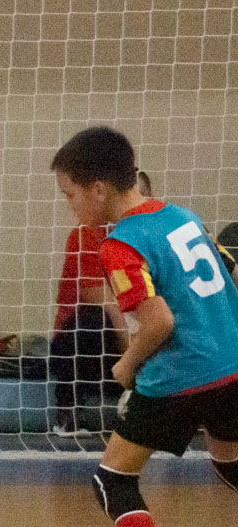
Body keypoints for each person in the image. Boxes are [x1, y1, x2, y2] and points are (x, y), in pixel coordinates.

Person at [51, 126, 238, 527]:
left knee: (112, 480)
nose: (70, 207)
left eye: (69, 195)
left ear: (98, 189)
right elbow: (229, 279)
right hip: (231, 367)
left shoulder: (119, 245)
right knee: (230, 465)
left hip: (179, 377)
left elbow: (159, 323)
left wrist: (127, 363)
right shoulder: (184, 217)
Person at [48, 175, 154, 436]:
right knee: (94, 321)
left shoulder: (151, 236)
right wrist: (133, 362)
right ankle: (68, 410)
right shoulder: (87, 235)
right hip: (91, 348)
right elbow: (106, 302)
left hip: (137, 339)